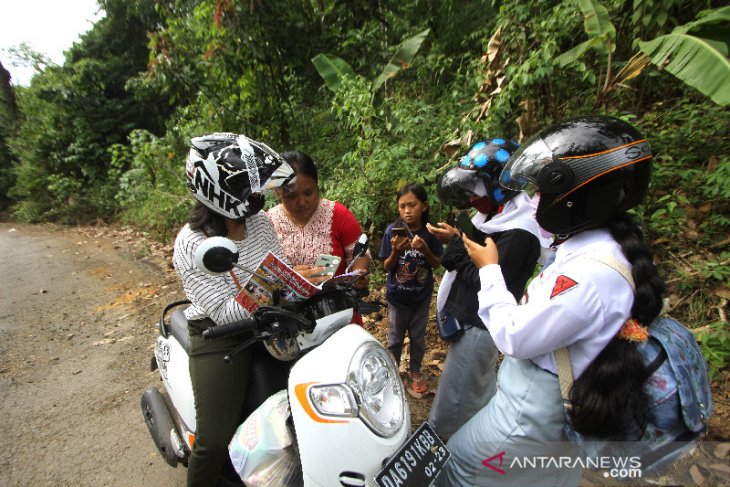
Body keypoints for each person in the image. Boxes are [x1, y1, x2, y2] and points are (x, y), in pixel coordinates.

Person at [439, 115, 664, 486]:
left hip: (530, 414)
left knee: (462, 465)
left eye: (543, 191)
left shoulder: (586, 277)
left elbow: (515, 336)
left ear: (576, 196)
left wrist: (489, 269)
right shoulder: (609, 250)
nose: (534, 200)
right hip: (565, 407)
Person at [171, 133, 297, 487]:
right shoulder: (192, 243)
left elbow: (279, 269)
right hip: (219, 336)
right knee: (213, 438)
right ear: (220, 192)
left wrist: (298, 286)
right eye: (247, 188)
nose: (257, 196)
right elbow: (226, 313)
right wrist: (274, 287)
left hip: (269, 322)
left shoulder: (259, 223)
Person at [426, 138, 549, 441]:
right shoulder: (495, 215)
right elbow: (478, 254)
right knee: (467, 391)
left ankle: (446, 456)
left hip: (480, 327)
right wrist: (458, 237)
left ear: (500, 185)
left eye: (475, 189)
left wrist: (456, 251)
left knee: (456, 403)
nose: (470, 197)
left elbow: (490, 282)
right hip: (470, 319)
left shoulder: (519, 233)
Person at [378, 183, 443, 395]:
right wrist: (396, 252)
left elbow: (436, 264)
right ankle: (392, 371)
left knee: (418, 338)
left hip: (421, 298)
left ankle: (415, 371)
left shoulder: (431, 233)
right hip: (397, 297)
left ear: (424, 206)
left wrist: (424, 249)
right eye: (402, 206)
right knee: (395, 339)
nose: (407, 211)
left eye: (412, 205)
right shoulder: (392, 232)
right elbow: (387, 266)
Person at [267, 150, 370, 282]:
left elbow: (359, 254)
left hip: (335, 299)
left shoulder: (338, 214)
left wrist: (358, 275)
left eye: (308, 193)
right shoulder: (267, 223)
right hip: (286, 301)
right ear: (277, 193)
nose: (301, 202)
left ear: (316, 186)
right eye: (291, 196)